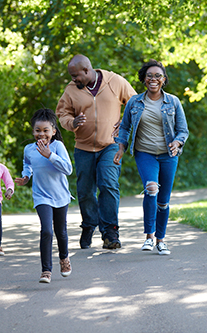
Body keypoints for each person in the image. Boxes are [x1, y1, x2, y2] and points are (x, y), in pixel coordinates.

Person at [56, 54, 136, 250]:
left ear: (86, 70)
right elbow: (62, 114)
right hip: (83, 148)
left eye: (76, 76)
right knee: (85, 192)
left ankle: (110, 233)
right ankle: (89, 225)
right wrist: (72, 123)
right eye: (72, 76)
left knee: (108, 184)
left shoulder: (115, 81)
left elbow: (135, 104)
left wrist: (125, 124)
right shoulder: (71, 90)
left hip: (110, 144)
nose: (74, 80)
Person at [113, 59, 189, 255]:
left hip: (168, 155)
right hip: (144, 153)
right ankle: (149, 236)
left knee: (163, 201)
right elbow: (124, 126)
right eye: (149, 76)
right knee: (151, 189)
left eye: (158, 76)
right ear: (144, 79)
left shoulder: (173, 102)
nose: (153, 79)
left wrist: (178, 142)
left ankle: (161, 240)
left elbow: (183, 131)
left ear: (164, 79)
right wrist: (121, 148)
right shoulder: (134, 102)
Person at [15, 108, 73, 284]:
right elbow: (27, 164)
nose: (41, 134)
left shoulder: (58, 147)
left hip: (61, 195)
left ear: (53, 131)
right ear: (33, 131)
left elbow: (68, 169)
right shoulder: (29, 149)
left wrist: (50, 156)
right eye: (38, 130)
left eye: (45, 130)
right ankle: (46, 270)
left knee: (60, 232)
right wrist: (26, 176)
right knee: (46, 230)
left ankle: (64, 258)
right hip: (41, 196)